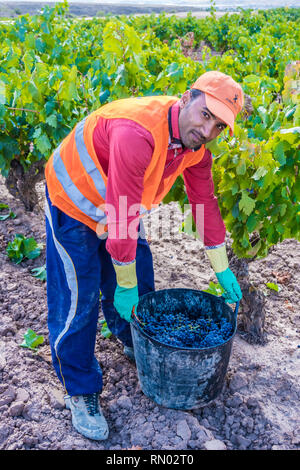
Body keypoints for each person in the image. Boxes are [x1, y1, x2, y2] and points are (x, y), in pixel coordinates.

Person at [44, 71, 243, 440]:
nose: (207, 129)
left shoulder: (194, 151)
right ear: (186, 98)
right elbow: (120, 215)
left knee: (141, 278)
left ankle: (133, 339)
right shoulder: (138, 132)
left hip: (119, 207)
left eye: (218, 126)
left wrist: (221, 268)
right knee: (80, 297)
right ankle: (81, 389)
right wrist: (124, 282)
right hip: (74, 201)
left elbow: (205, 205)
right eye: (205, 115)